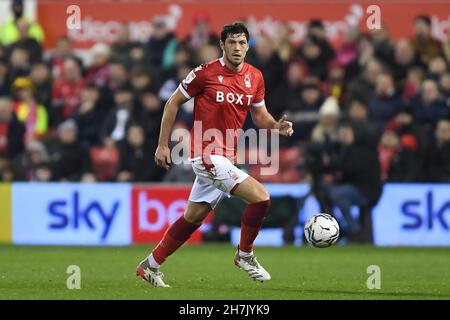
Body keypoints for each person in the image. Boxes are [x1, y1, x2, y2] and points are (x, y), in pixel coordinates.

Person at [135, 22, 293, 287]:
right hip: (206, 154)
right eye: (232, 42)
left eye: (242, 43)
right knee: (261, 198)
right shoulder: (204, 73)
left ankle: (150, 265)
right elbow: (172, 101)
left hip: (226, 157)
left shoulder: (255, 77)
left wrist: (277, 126)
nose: (237, 48)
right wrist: (163, 145)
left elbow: (260, 115)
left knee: (193, 217)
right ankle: (244, 255)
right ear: (222, 45)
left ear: (247, 46)